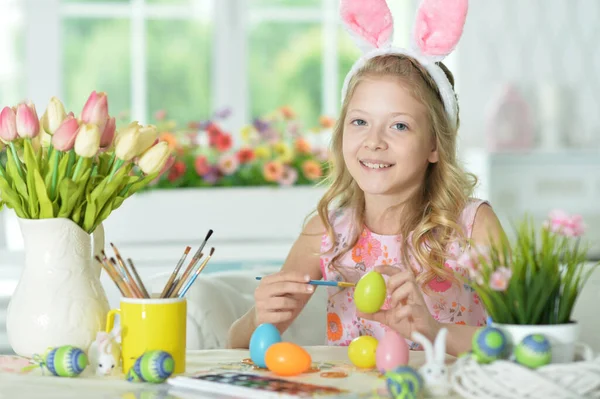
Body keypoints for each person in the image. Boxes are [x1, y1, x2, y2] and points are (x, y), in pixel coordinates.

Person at [228, 0, 505, 356]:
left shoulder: (471, 226)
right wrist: (258, 318)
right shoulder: (325, 232)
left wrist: (434, 331)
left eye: (399, 125)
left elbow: (526, 341)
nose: (374, 141)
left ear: (434, 144)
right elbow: (234, 346)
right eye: (360, 122)